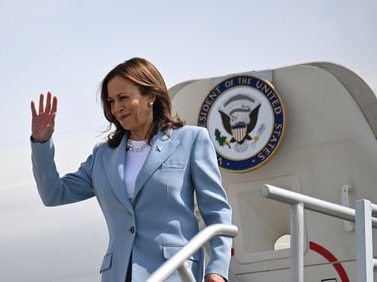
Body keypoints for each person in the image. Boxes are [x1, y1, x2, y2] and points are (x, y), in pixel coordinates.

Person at [30, 57, 232, 282]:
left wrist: (217, 269)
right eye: (111, 101)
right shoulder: (103, 155)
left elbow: (217, 212)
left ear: (151, 96)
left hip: (175, 272)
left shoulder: (192, 140)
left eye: (123, 98)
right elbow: (53, 194)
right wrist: (41, 143)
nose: (117, 108)